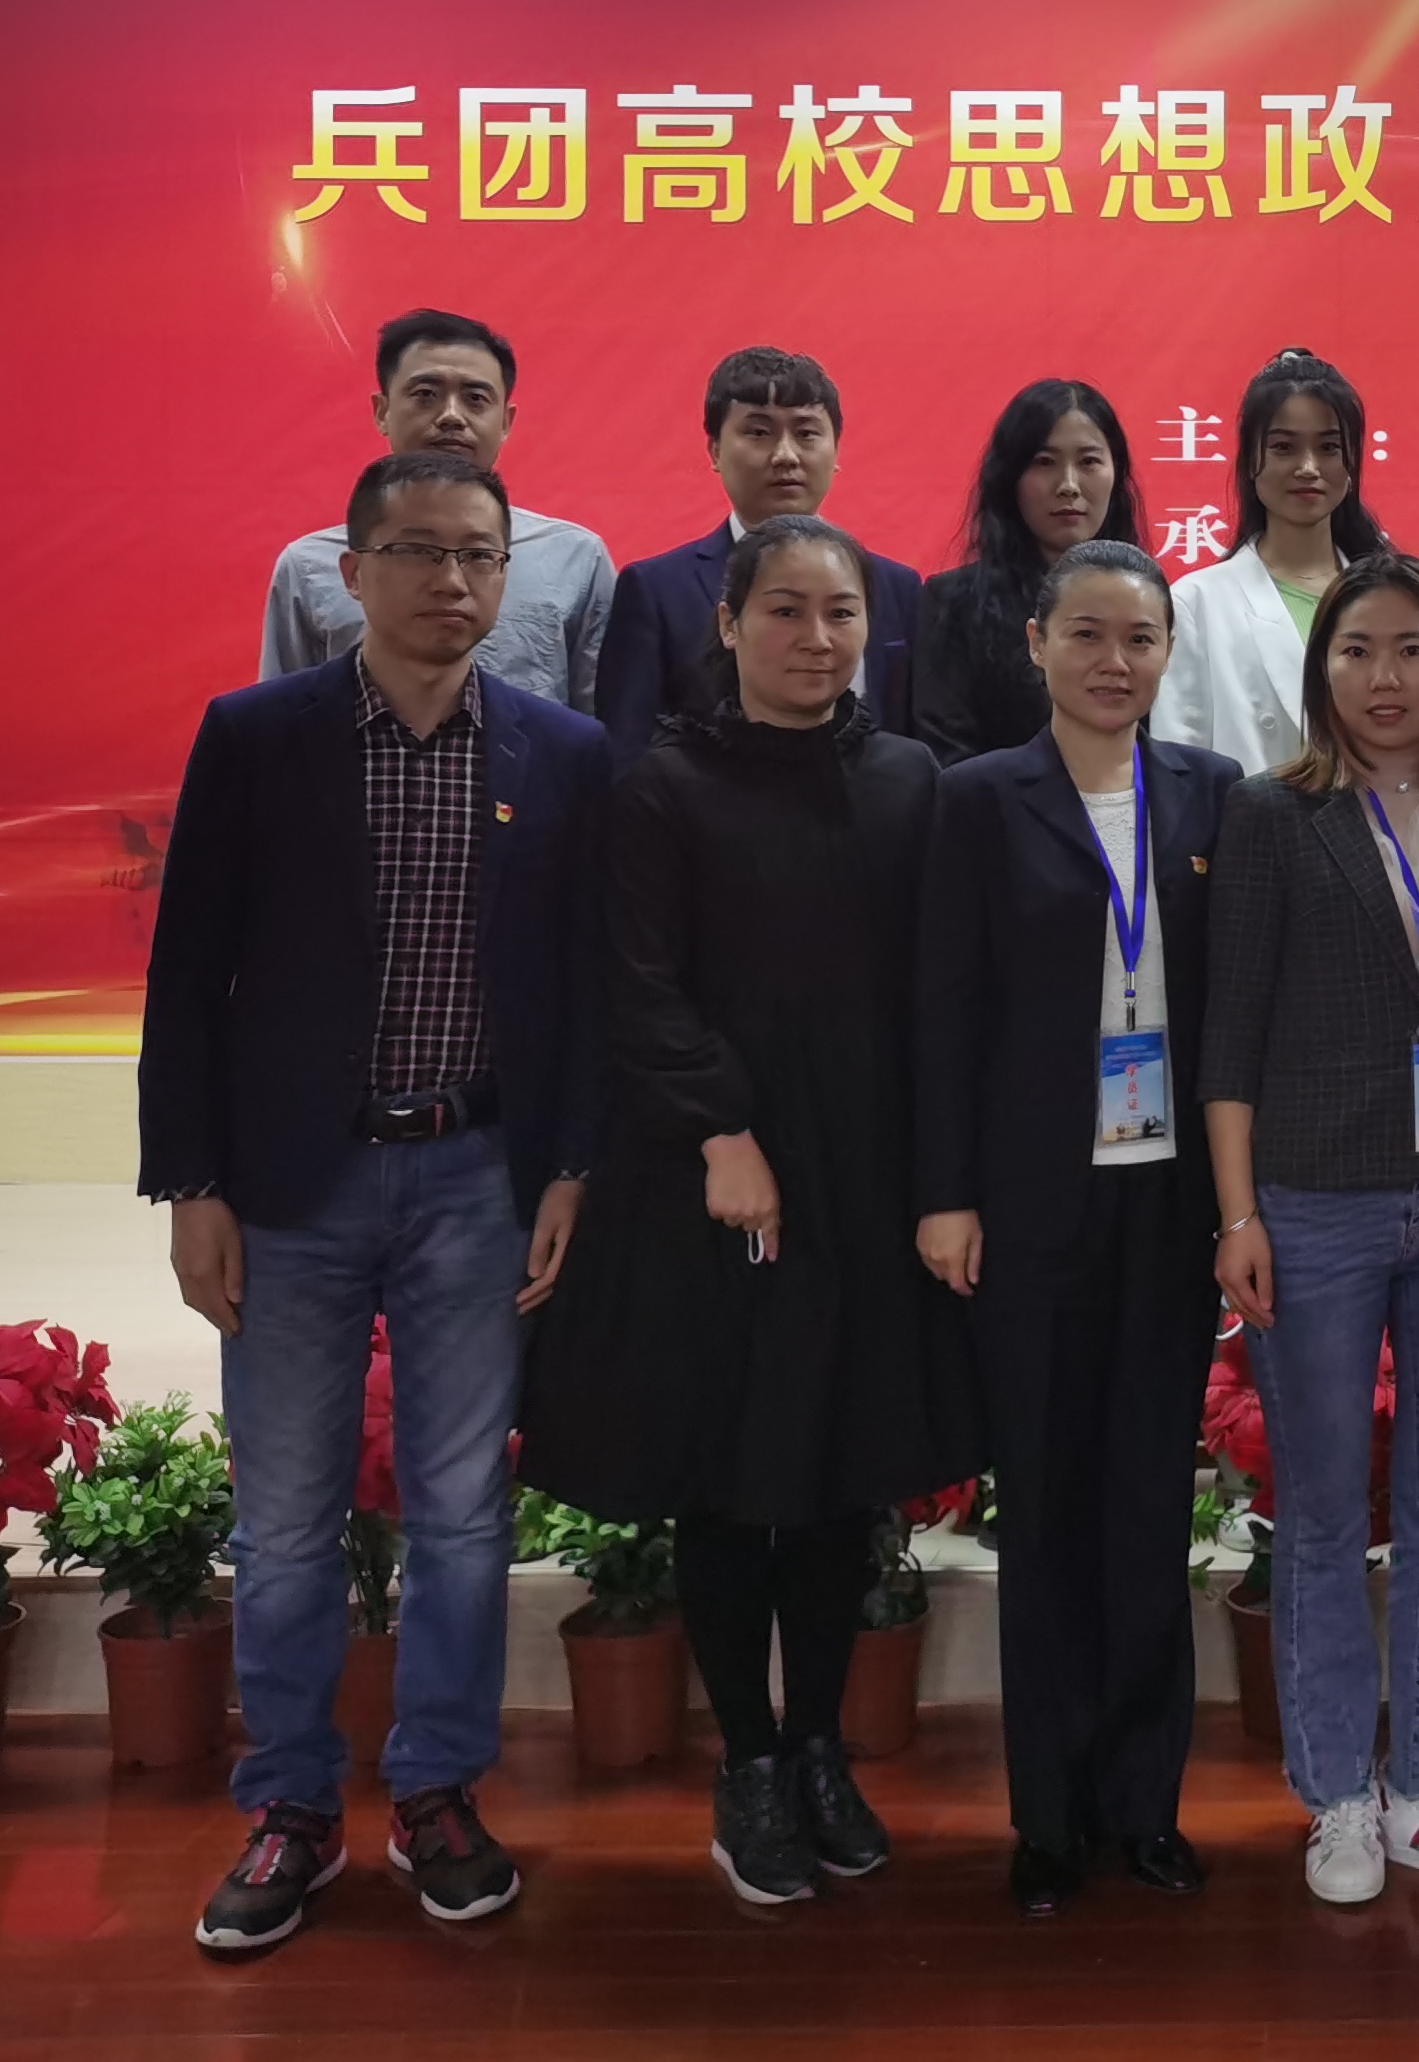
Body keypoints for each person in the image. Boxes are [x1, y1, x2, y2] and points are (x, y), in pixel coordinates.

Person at [147, 450, 608, 1957]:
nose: (451, 581)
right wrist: (191, 1182)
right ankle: (290, 1804)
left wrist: (570, 1165)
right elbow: (187, 974)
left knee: (463, 1514)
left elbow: (583, 992)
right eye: (418, 552)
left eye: (479, 555)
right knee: (285, 1518)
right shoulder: (258, 736)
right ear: (349, 575)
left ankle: (435, 1792)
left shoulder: (561, 751)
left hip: (479, 1174)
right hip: (294, 1180)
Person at [519, 515, 981, 1909]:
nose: (815, 639)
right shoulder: (662, 787)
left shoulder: (912, 783)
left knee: (840, 1472)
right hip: (713, 1180)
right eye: (784, 611)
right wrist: (723, 1131)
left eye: (840, 614)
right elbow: (638, 986)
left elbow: (943, 993)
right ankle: (750, 1762)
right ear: (728, 625)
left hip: (865, 1177)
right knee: (728, 1477)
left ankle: (821, 1747)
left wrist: (942, 1179)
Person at [1200, 552, 1419, 1910]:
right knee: (1327, 1511)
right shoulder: (1273, 815)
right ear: (1320, 668)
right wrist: (1237, 1212)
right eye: (1356, 651)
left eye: (1412, 649)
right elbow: (1230, 1034)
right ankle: (1339, 1792)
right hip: (1314, 1198)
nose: (1384, 677)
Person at [911, 540, 1236, 1917]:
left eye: (1140, 638)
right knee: (1044, 1508)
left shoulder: (1213, 794)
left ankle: (1144, 1807)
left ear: (1167, 652)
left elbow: (1236, 1011)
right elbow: (941, 1008)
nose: (1115, 661)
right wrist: (945, 1193)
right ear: (1037, 644)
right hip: (1032, 1203)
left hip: (1169, 1202)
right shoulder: (977, 799)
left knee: (1150, 1504)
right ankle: (1048, 1818)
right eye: (1088, 634)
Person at [259, 309, 614, 713]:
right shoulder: (308, 567)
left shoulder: (575, 559)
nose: (451, 416)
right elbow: (279, 718)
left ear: (505, 422)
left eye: (475, 399)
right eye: (426, 394)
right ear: (382, 411)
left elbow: (604, 722)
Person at [598, 346, 921, 763]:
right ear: (715, 450)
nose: (785, 455)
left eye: (806, 433)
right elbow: (629, 749)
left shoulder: (899, 587)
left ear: (836, 450)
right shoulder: (656, 590)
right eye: (758, 432)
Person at [1154, 348, 1383, 773]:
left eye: (1329, 447)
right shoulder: (1196, 602)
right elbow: (1178, 771)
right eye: (1283, 447)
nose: (1308, 467)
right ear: (1250, 461)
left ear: (1352, 461)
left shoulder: (1389, 597)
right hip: (1250, 816)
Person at [912, 380, 1149, 764]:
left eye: (1089, 462)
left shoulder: (1151, 604)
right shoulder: (953, 602)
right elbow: (945, 750)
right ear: (1010, 478)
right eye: (1044, 462)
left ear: (1116, 474)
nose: (1069, 485)